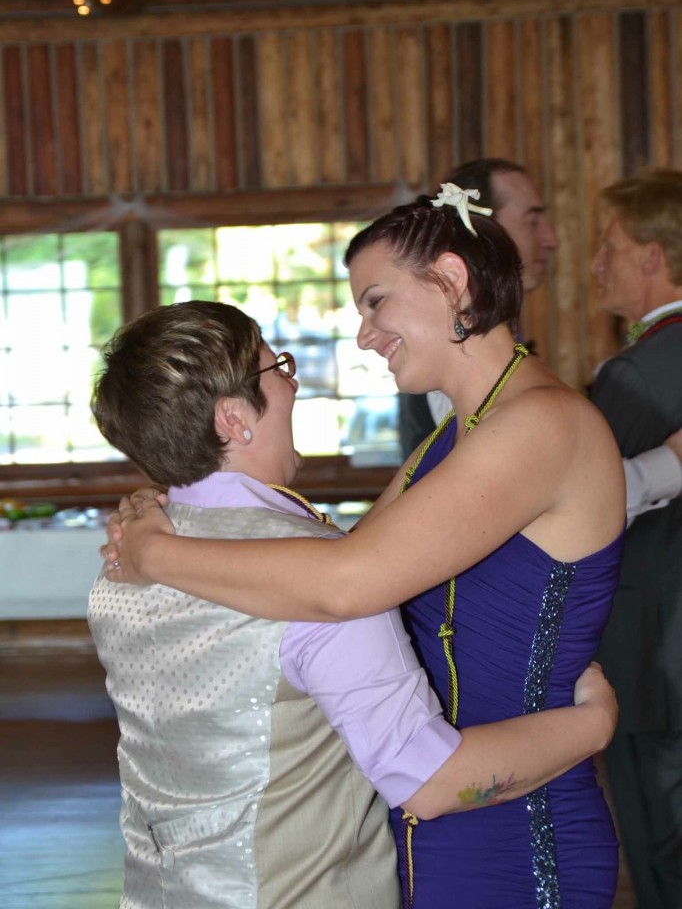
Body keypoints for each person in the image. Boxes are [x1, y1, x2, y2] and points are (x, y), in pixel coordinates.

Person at [103, 190, 626, 908]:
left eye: (375, 301)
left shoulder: (543, 425)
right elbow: (332, 564)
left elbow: (347, 582)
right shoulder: (449, 440)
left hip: (512, 821)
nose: (363, 334)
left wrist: (156, 554)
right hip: (418, 822)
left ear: (450, 280)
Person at [399, 158, 682, 524]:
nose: (551, 240)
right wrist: (670, 464)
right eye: (533, 220)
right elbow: (525, 489)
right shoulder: (452, 349)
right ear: (483, 232)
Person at [590, 168, 682, 909]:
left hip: (658, 656)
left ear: (654, 256)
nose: (597, 261)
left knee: (663, 854)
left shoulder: (639, 372)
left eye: (610, 244)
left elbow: (591, 510)